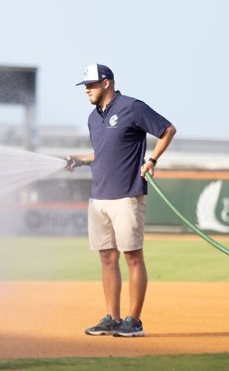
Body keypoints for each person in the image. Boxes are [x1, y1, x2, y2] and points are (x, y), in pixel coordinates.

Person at [66, 63, 176, 337]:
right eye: (85, 86)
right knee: (106, 258)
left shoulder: (132, 107)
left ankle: (134, 321)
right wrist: (79, 160)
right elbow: (102, 153)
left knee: (133, 257)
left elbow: (168, 130)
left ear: (106, 83)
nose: (87, 90)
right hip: (99, 197)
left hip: (127, 195)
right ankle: (112, 318)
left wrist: (151, 160)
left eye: (91, 85)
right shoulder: (93, 118)